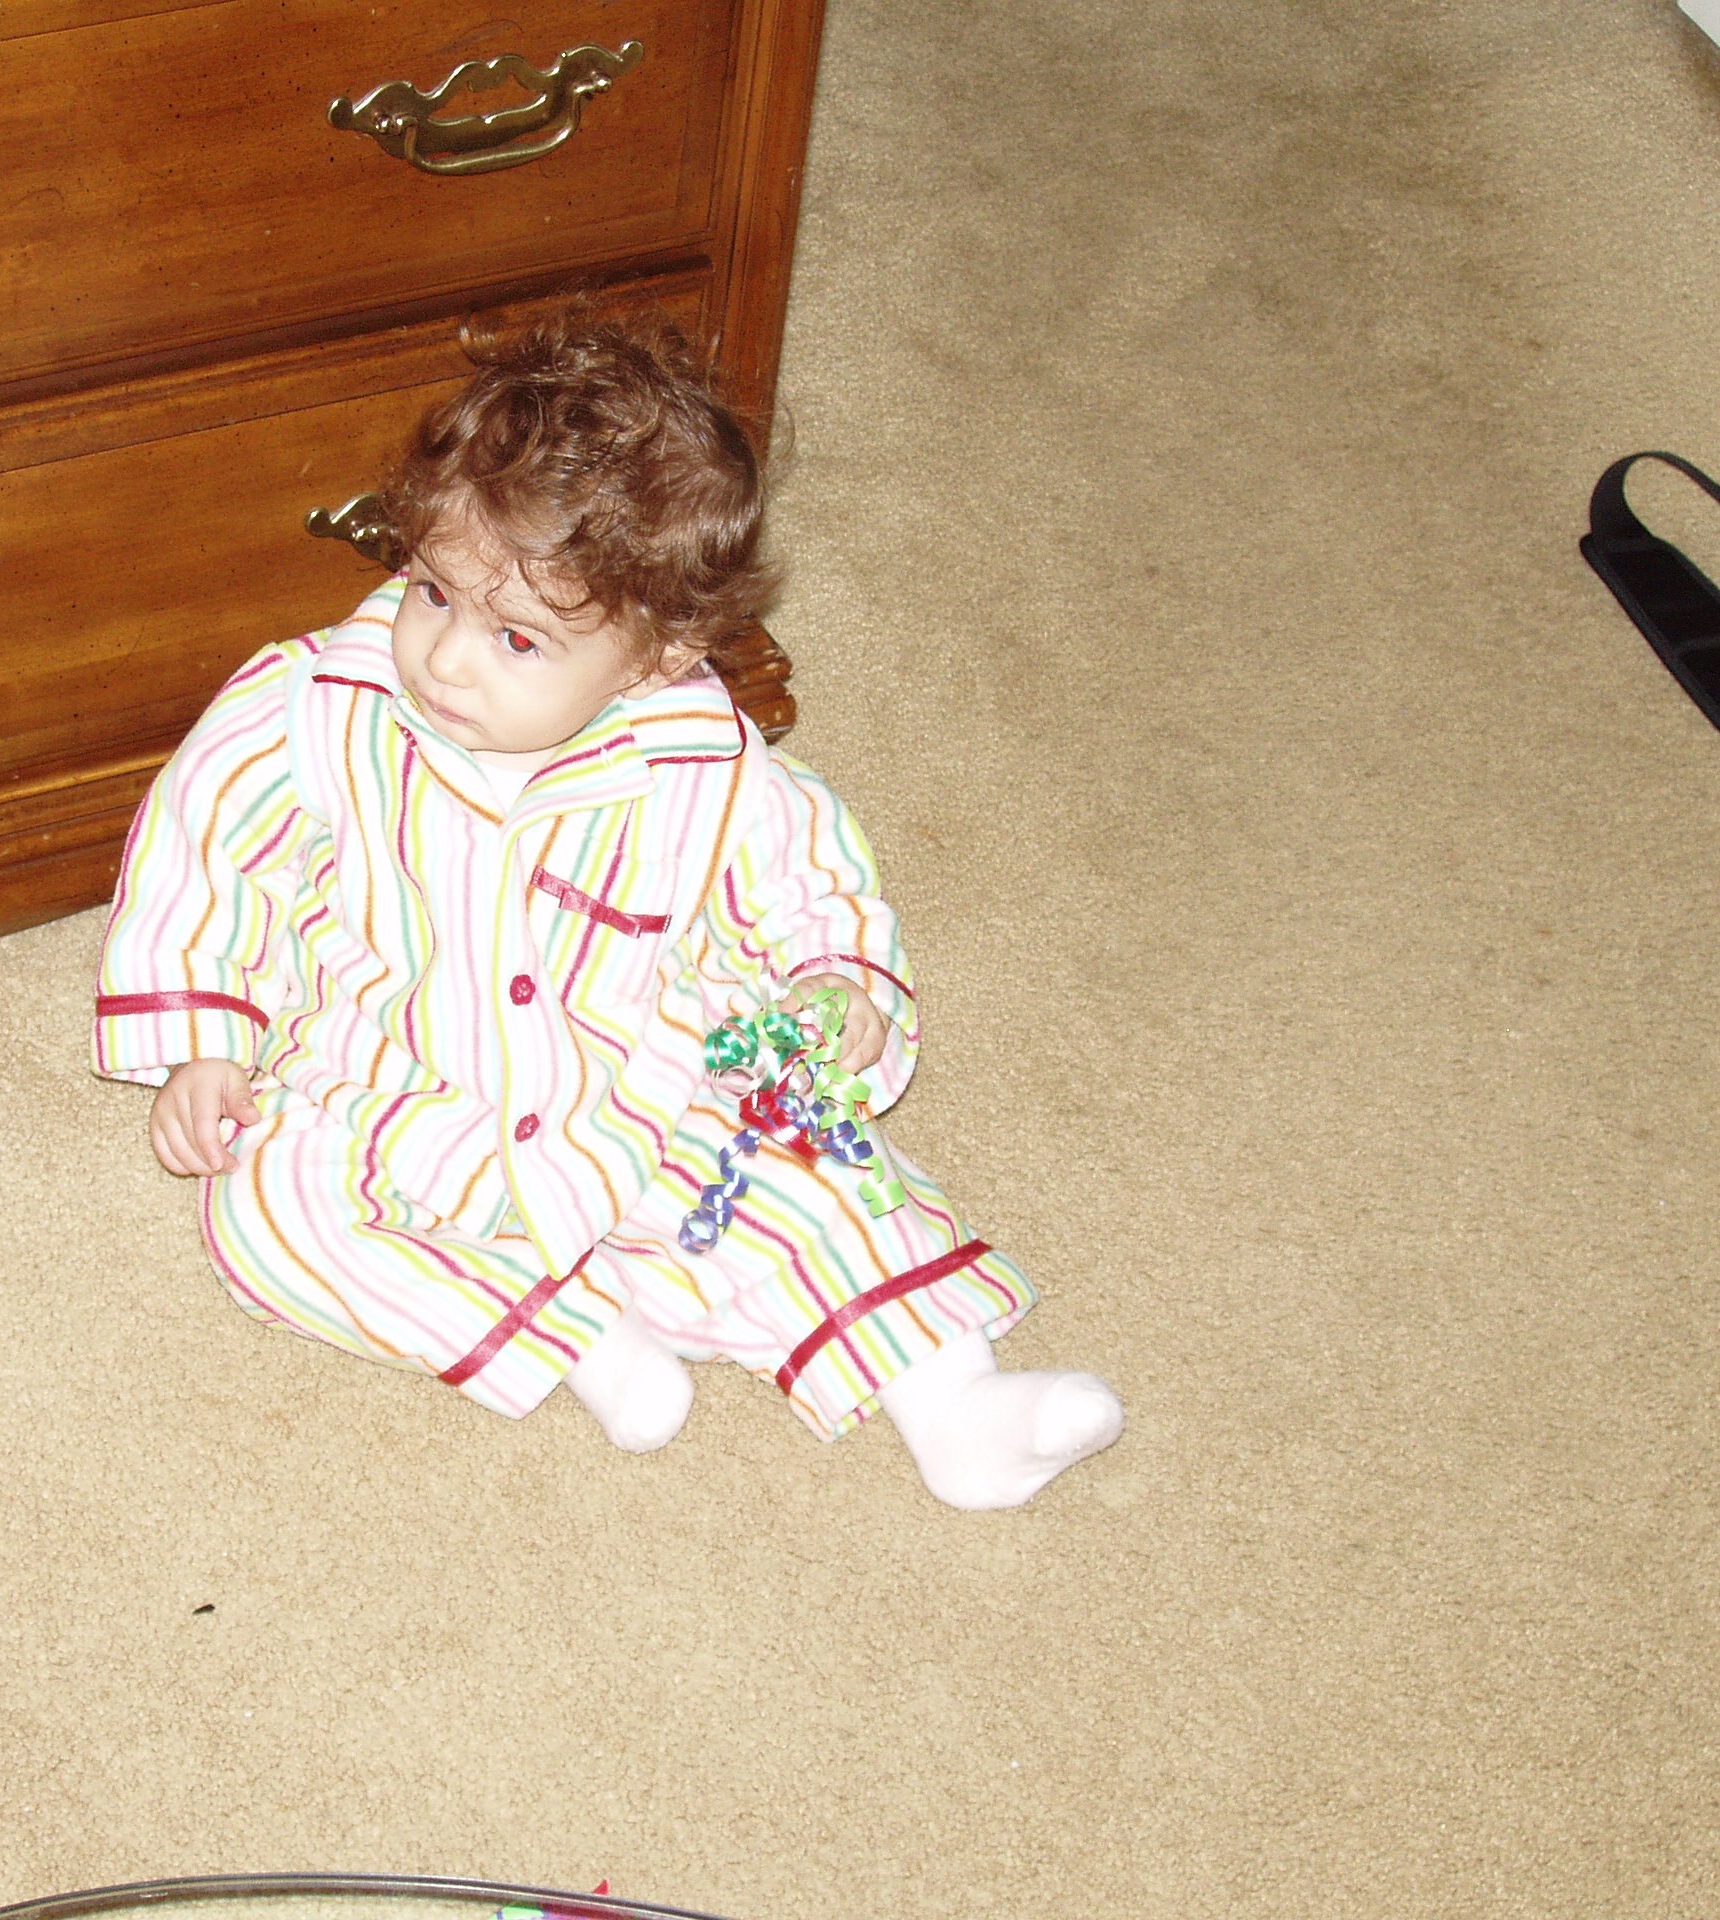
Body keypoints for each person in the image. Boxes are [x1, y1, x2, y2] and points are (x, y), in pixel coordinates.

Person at [93, 309, 1122, 1508]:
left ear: (654, 656)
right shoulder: (317, 706)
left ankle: (956, 1402)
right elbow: (211, 851)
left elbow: (801, 882)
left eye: (516, 638)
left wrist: (833, 988)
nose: (444, 658)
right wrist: (206, 1040)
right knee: (269, 1216)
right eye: (429, 590)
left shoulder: (701, 762)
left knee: (818, 1186)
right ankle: (577, 1334)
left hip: (636, 1087)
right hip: (385, 1083)